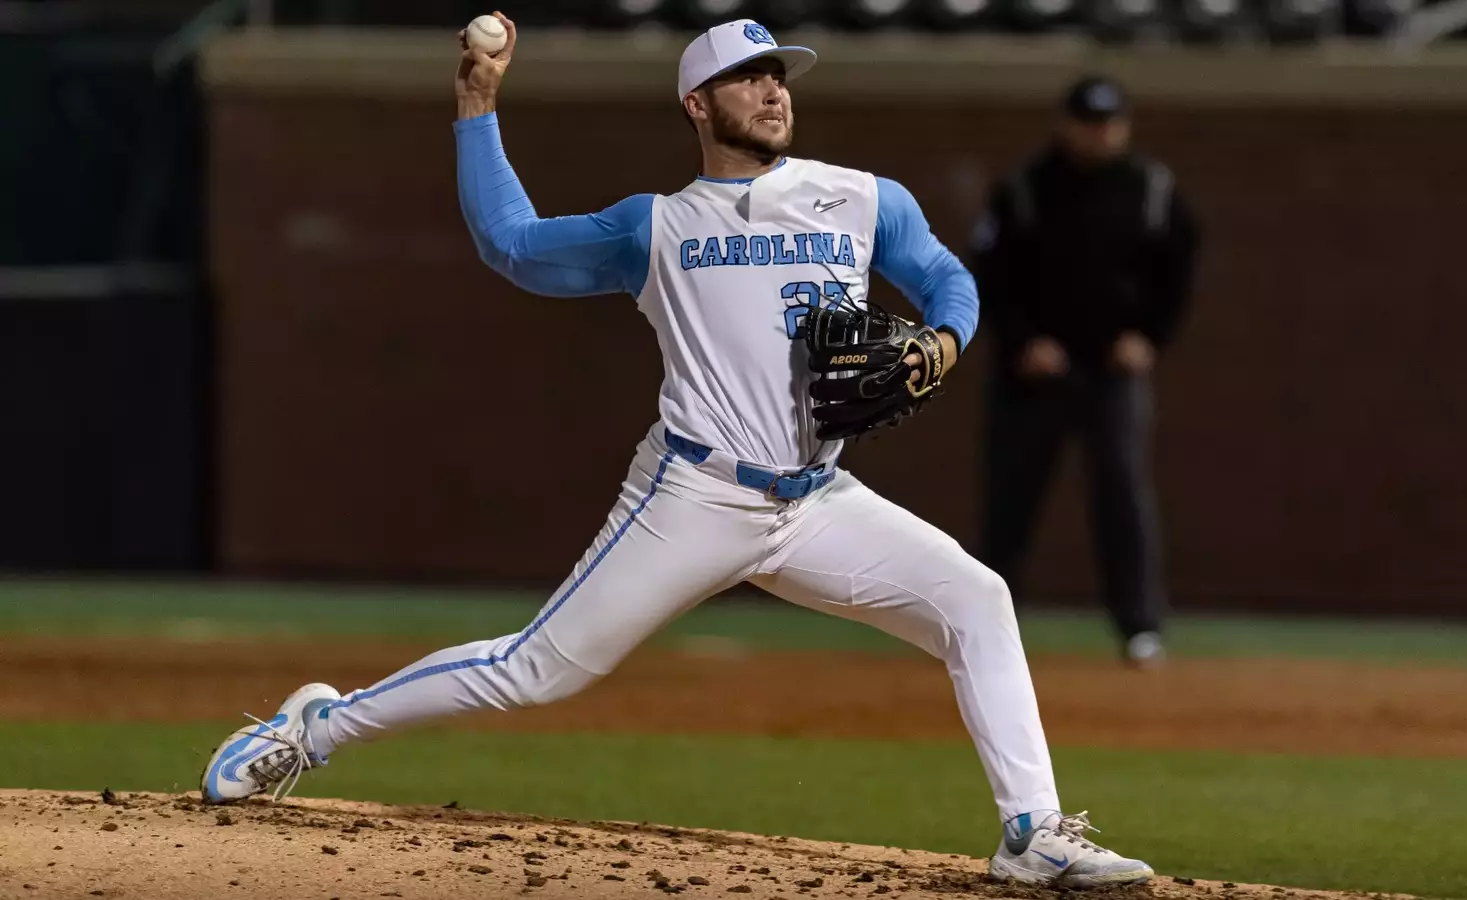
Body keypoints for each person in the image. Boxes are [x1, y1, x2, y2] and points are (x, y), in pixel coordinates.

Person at [196, 17, 1153, 889]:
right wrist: (477, 104)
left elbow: (947, 278)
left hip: (817, 502)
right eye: (747, 78)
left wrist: (941, 342)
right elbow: (512, 246)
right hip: (694, 493)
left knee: (976, 598)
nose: (773, 91)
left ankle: (1029, 831)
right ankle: (313, 729)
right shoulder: (654, 226)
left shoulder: (860, 199)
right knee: (537, 670)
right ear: (698, 104)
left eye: (778, 74)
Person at [971, 75, 1200, 669]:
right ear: (1064, 123)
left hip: (1110, 372)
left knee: (1123, 494)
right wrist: (1024, 341)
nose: (1098, 134)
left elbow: (1178, 272)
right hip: (1034, 372)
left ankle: (1139, 628)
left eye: (1109, 123)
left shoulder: (1150, 189)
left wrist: (1148, 337)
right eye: (1088, 121)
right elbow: (991, 280)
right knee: (1010, 500)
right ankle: (985, 629)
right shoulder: (1024, 188)